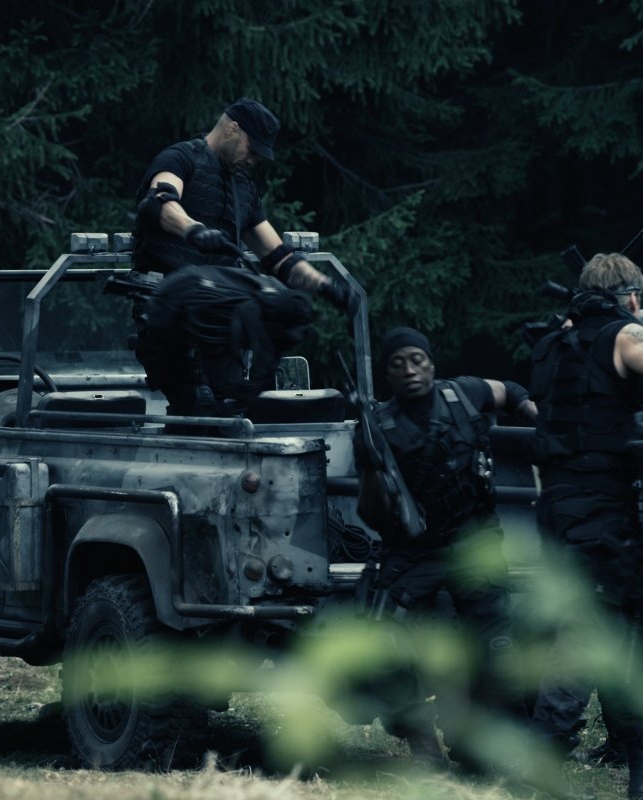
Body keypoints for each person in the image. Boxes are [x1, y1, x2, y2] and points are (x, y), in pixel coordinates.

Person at [527, 254, 643, 799]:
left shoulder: (552, 345)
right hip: (602, 513)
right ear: (631, 297)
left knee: (618, 637)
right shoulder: (626, 335)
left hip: (556, 509)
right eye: (638, 298)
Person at [364, 327, 537, 772]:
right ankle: (423, 746)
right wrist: (385, 491)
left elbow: (509, 389)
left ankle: (492, 746)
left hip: (474, 542)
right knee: (386, 645)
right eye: (397, 363)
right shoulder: (377, 424)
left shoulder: (464, 393)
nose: (409, 369)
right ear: (387, 374)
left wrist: (531, 411)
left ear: (432, 363)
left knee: (498, 649)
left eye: (416, 359)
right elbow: (370, 509)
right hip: (415, 549)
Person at [129, 98, 357, 417]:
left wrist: (326, 286)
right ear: (232, 129)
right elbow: (160, 202)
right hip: (171, 315)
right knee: (199, 408)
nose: (253, 160)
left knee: (233, 407)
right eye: (252, 149)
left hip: (221, 324)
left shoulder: (243, 189)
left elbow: (279, 258)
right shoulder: (179, 158)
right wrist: (194, 230)